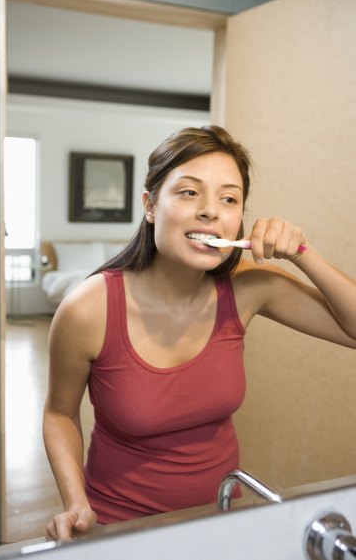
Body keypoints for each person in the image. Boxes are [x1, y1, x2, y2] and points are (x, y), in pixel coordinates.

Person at [43, 125, 356, 541]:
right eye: (189, 192)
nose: (211, 210)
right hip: (120, 528)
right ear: (150, 206)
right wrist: (75, 501)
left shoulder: (248, 287)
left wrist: (302, 253)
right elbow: (59, 414)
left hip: (223, 518)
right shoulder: (88, 308)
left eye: (228, 199)